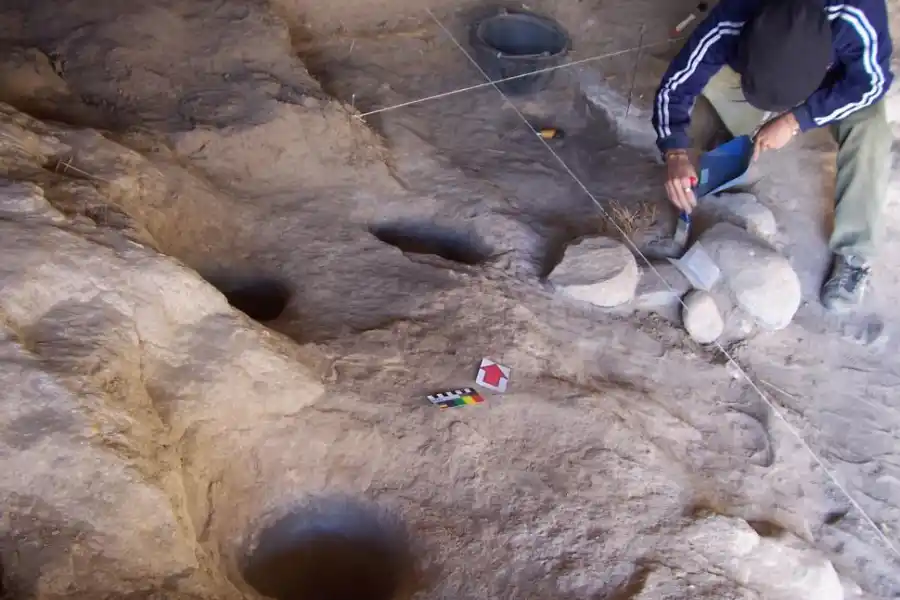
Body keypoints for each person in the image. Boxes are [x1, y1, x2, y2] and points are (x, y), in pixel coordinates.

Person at [652, 0, 894, 313]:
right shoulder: (735, 15)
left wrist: (796, 120)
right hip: (760, 65)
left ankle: (854, 254)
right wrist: (674, 150)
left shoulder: (857, 11)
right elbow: (677, 85)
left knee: (871, 130)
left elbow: (873, 82)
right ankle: (741, 133)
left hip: (838, 81)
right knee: (710, 77)